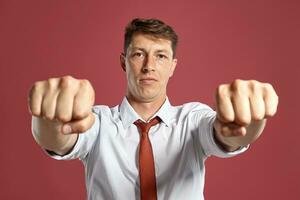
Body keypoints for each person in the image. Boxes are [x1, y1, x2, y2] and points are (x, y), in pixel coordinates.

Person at [28, 18, 278, 200]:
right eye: (138, 54)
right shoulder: (98, 122)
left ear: (173, 67)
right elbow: (59, 139)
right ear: (123, 62)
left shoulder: (192, 120)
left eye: (161, 56)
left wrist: (249, 120)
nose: (149, 66)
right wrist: (50, 119)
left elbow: (229, 134)